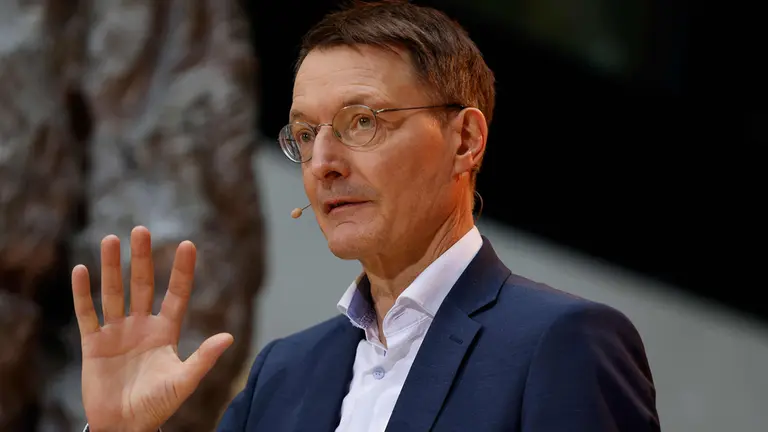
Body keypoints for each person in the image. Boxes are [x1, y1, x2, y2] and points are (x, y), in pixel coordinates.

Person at [71, 2, 660, 431]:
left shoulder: (562, 344)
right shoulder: (283, 374)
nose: (323, 163)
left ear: (465, 140)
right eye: (306, 133)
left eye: (362, 122)